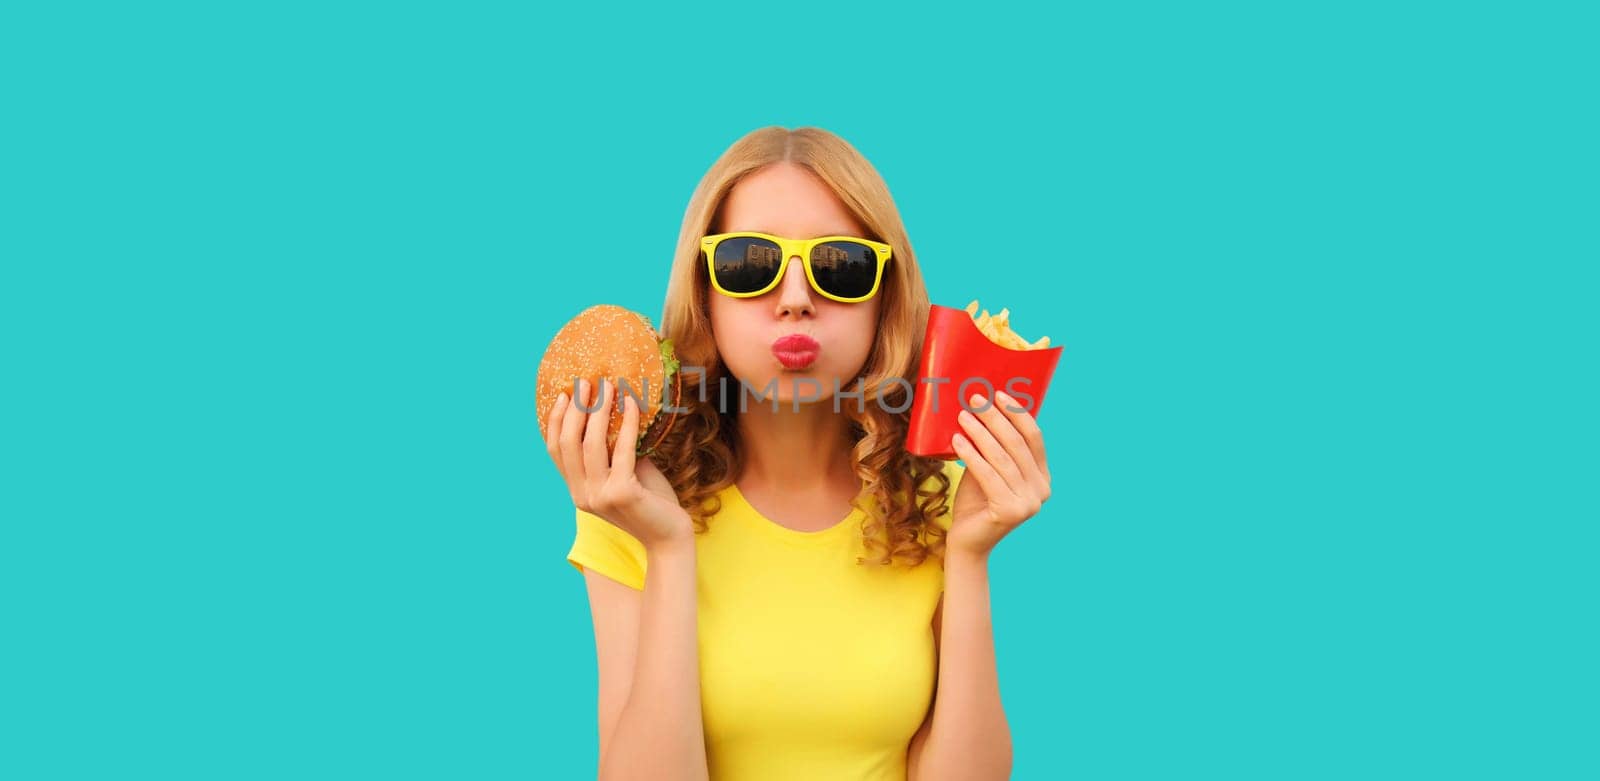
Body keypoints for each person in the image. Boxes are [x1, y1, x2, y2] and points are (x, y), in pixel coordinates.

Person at [543, 126, 1052, 780]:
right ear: (705, 295)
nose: (793, 301)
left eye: (840, 266)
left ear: (883, 298)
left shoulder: (936, 493)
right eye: (749, 265)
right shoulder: (629, 501)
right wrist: (669, 549)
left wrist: (971, 551)